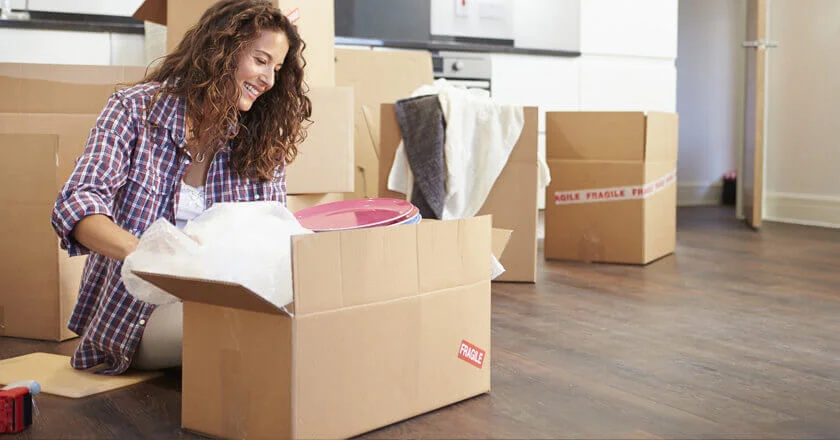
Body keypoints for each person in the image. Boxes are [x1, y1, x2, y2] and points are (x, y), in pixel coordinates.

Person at [51, 0, 312, 374]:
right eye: (261, 60)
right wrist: (149, 254)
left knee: (305, 311)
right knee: (253, 328)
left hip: (227, 300)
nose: (269, 80)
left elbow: (272, 241)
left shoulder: (261, 142)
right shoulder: (135, 110)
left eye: (278, 68)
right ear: (221, 50)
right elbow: (77, 204)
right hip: (137, 313)